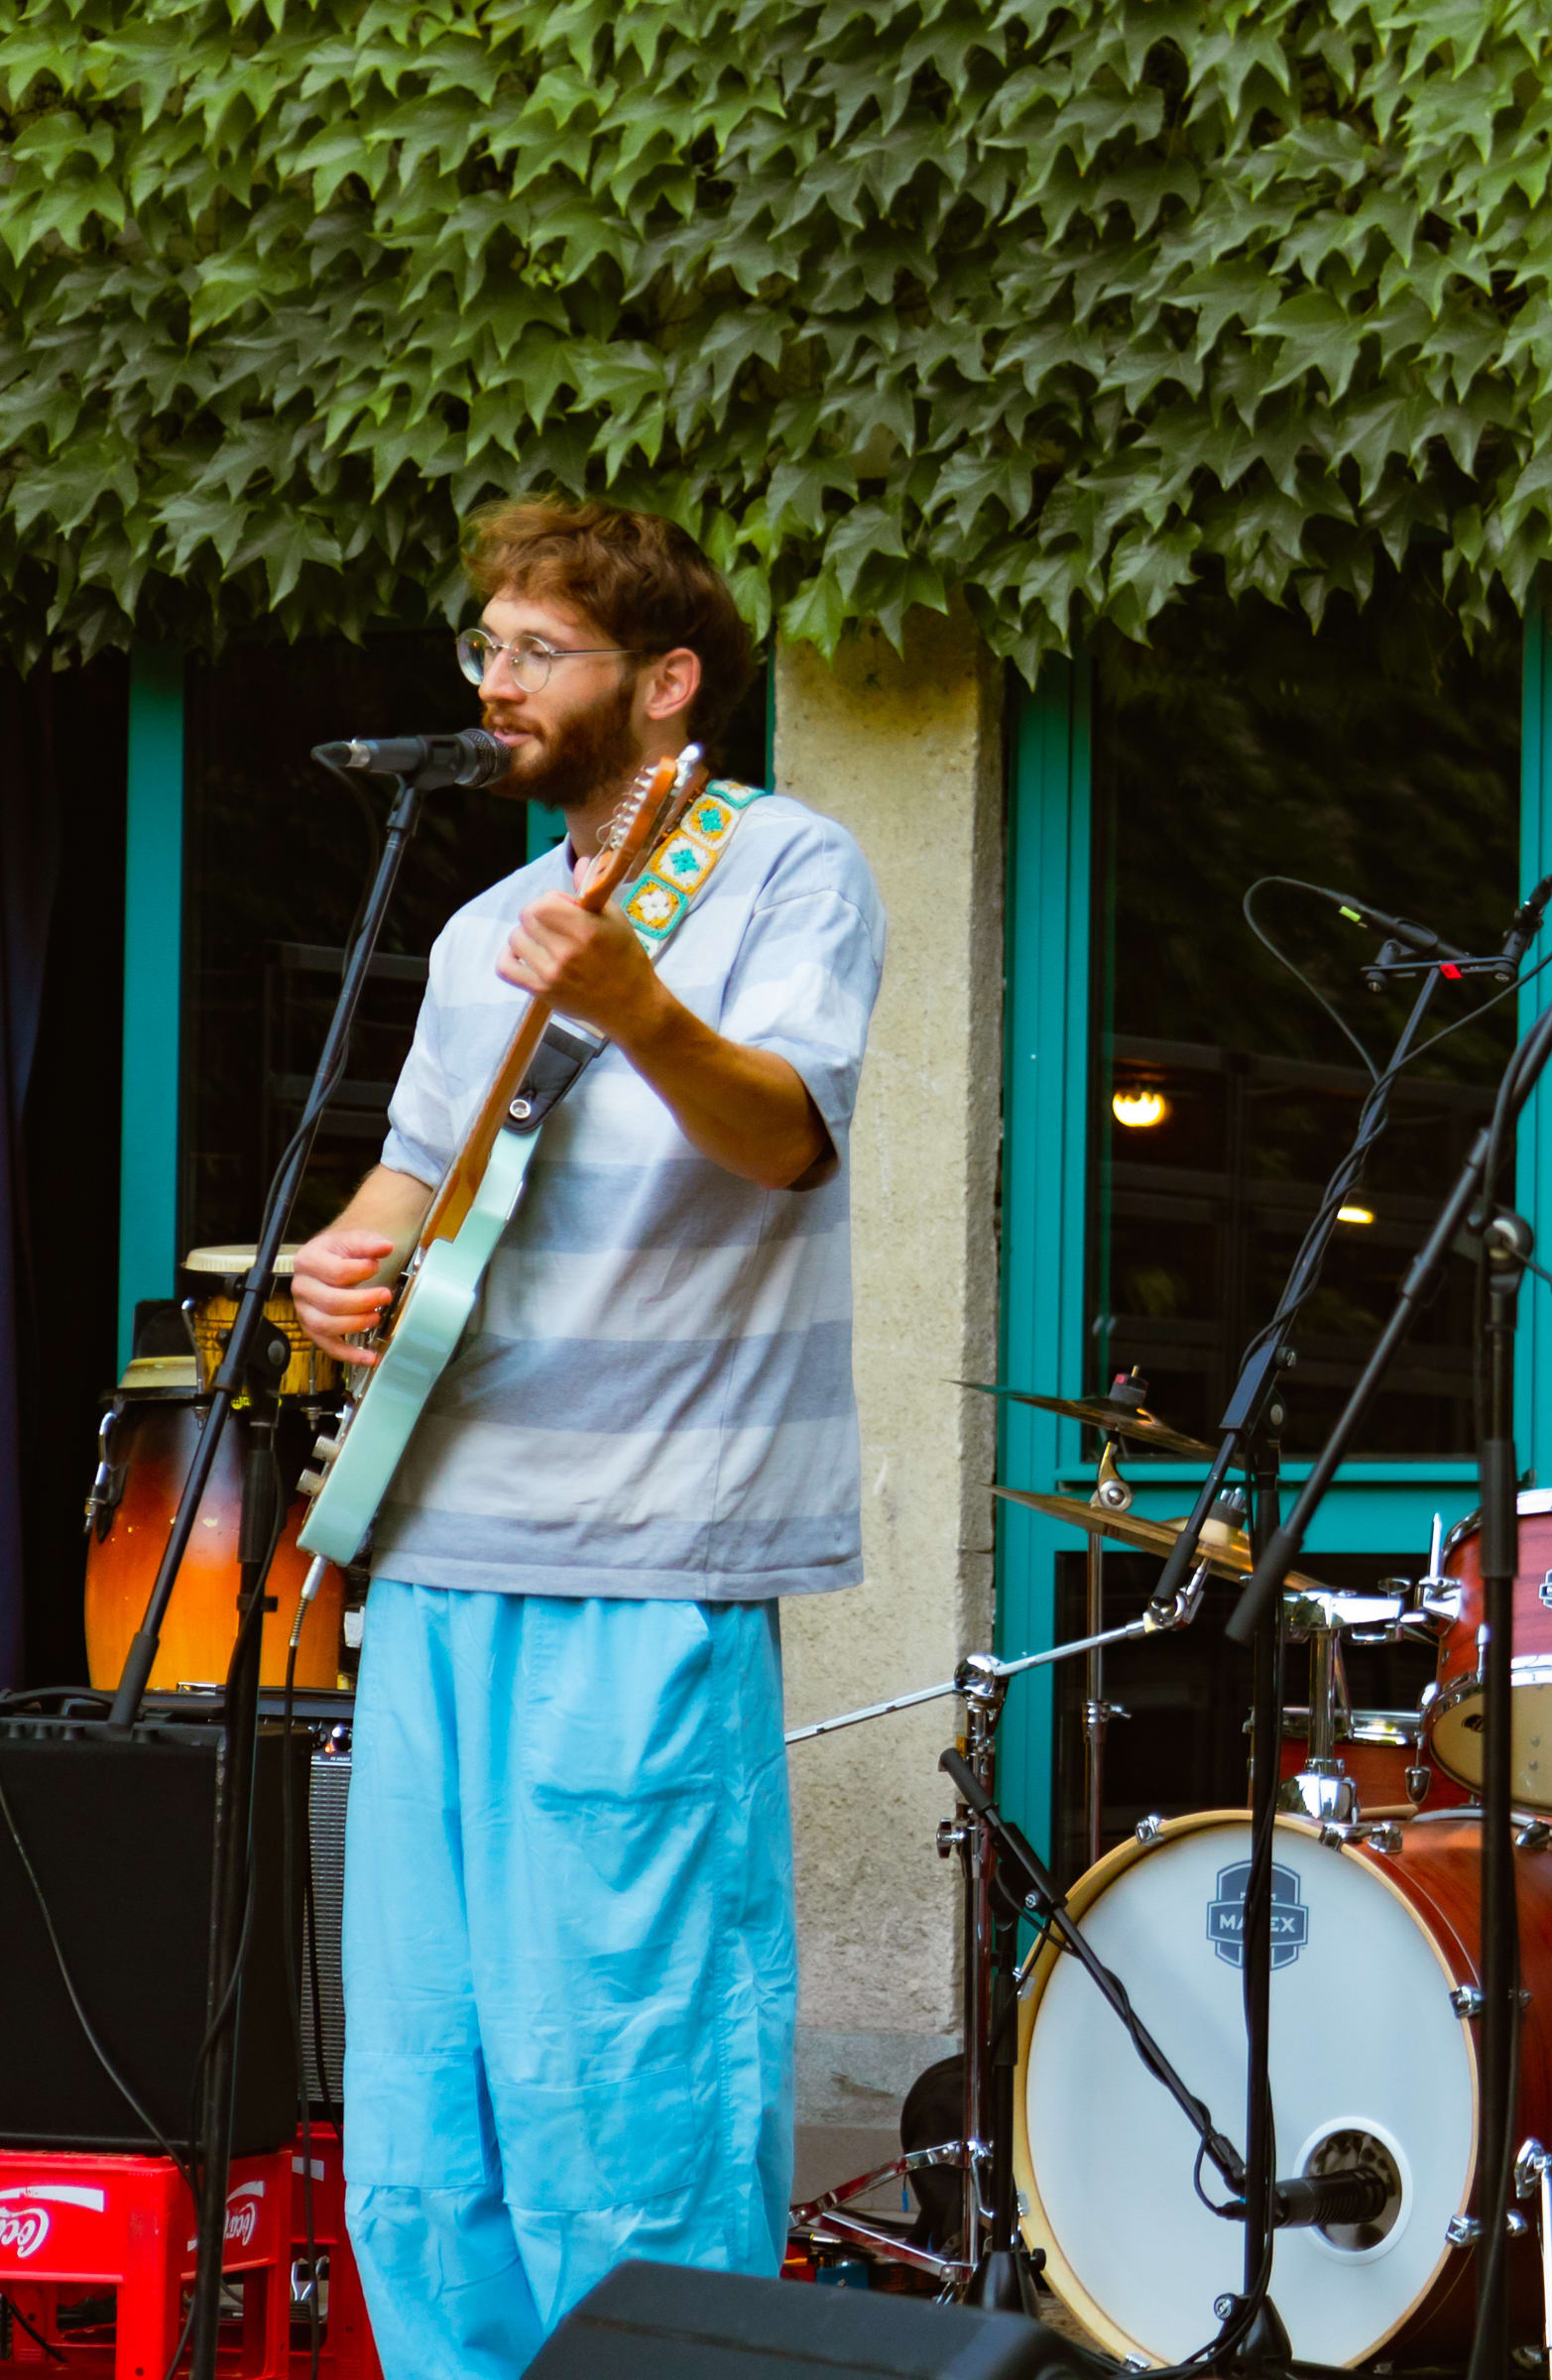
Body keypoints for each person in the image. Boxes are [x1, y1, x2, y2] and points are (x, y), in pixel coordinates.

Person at [290, 498, 886, 2379]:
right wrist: (336, 1268)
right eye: (484, 649)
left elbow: (787, 1131)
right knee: (433, 2078)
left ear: (666, 680)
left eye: (535, 649)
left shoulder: (788, 869)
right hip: (443, 1544)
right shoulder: (478, 927)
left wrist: (641, 1005)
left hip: (653, 1549)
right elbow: (409, 1179)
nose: (494, 682)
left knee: (632, 2074)